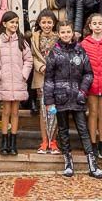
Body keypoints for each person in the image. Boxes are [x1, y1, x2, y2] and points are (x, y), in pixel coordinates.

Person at [43, 19, 102, 179]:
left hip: (77, 97)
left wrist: (83, 91)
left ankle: (92, 163)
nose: (65, 35)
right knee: (63, 130)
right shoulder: (54, 52)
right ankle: (68, 162)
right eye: (62, 32)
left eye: (68, 32)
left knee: (83, 130)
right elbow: (48, 78)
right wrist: (49, 101)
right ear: (59, 33)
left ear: (72, 33)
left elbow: (88, 73)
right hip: (60, 97)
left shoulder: (80, 51)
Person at [0, 11, 33, 157]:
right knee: (6, 112)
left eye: (16, 22)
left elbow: (28, 60)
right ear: (4, 24)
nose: (14, 25)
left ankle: (13, 142)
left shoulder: (22, 41)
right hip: (5, 81)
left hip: (18, 81)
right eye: (11, 22)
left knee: (15, 112)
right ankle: (4, 141)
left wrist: (24, 74)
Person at [82, 11, 102, 161]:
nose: (97, 26)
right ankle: (92, 143)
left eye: (100, 23)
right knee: (93, 112)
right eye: (94, 23)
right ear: (90, 26)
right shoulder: (84, 43)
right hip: (91, 84)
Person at [31, 9, 59, 152]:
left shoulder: (59, 37)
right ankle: (44, 141)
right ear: (39, 23)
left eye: (49, 22)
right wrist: (40, 66)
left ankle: (53, 140)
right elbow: (32, 55)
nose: (46, 25)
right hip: (41, 75)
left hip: (56, 78)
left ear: (54, 23)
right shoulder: (35, 37)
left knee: (54, 110)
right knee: (43, 110)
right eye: (44, 22)